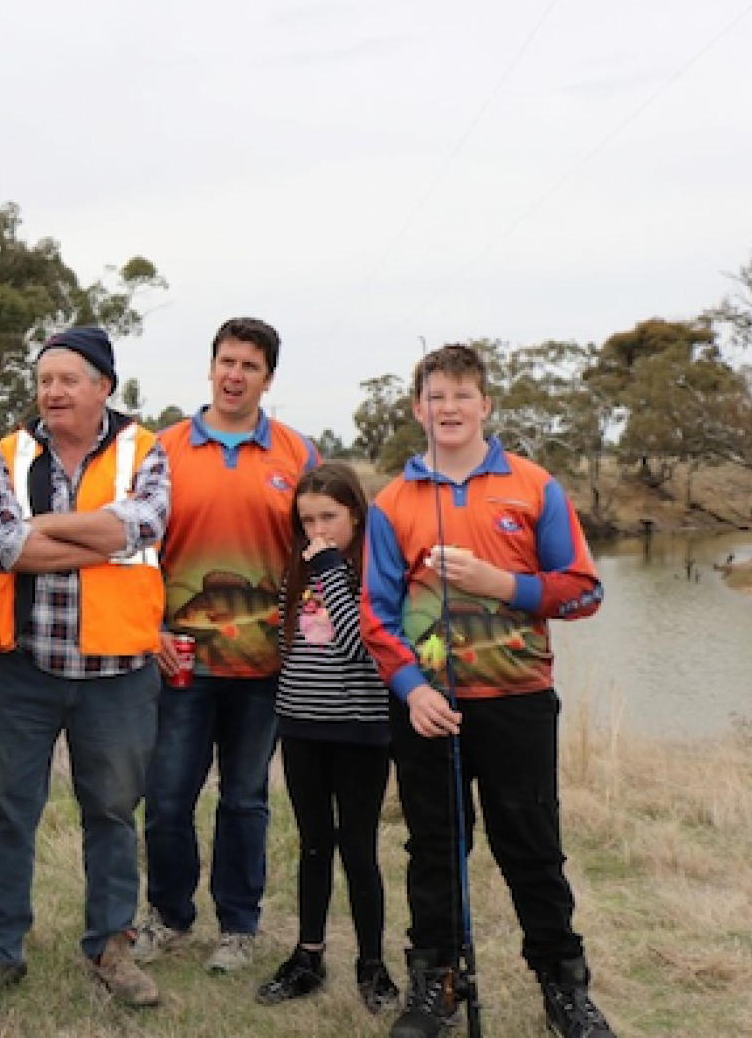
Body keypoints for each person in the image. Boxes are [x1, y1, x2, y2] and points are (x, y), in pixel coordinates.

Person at [360, 344, 609, 1038]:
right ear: (418, 409)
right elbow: (376, 613)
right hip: (428, 709)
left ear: (486, 406)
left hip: (519, 700)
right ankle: (436, 981)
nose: (449, 408)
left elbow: (583, 592)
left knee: (532, 845)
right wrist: (411, 689)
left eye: (462, 395)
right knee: (435, 848)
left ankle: (564, 987)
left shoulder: (535, 487)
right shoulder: (391, 503)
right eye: (436, 396)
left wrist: (500, 584)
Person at [0, 327, 169, 1009]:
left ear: (103, 386)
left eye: (68, 379)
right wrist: (92, 533)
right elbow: (0, 544)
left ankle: (111, 948)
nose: (51, 391)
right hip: (27, 667)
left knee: (112, 812)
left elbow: (140, 527)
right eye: (45, 379)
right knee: (6, 811)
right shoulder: (8, 453)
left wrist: (46, 528)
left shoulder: (146, 449)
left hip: (119, 673)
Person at [138, 317, 317, 974]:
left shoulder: (298, 455)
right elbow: (136, 552)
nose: (235, 375)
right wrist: (149, 626)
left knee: (245, 799)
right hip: (179, 658)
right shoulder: (162, 449)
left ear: (268, 378)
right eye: (227, 361)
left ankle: (238, 926)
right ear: (210, 367)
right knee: (167, 799)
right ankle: (169, 915)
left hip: (267, 664)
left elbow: (323, 549)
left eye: (250, 365)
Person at [254, 463, 401, 1014]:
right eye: (308, 520)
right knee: (313, 844)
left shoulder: (368, 573)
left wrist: (336, 567)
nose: (318, 531)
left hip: (361, 730)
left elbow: (363, 641)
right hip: (300, 727)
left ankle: (372, 964)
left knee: (359, 850)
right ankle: (307, 957)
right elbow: (288, 642)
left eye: (330, 519)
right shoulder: (300, 571)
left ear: (357, 516)